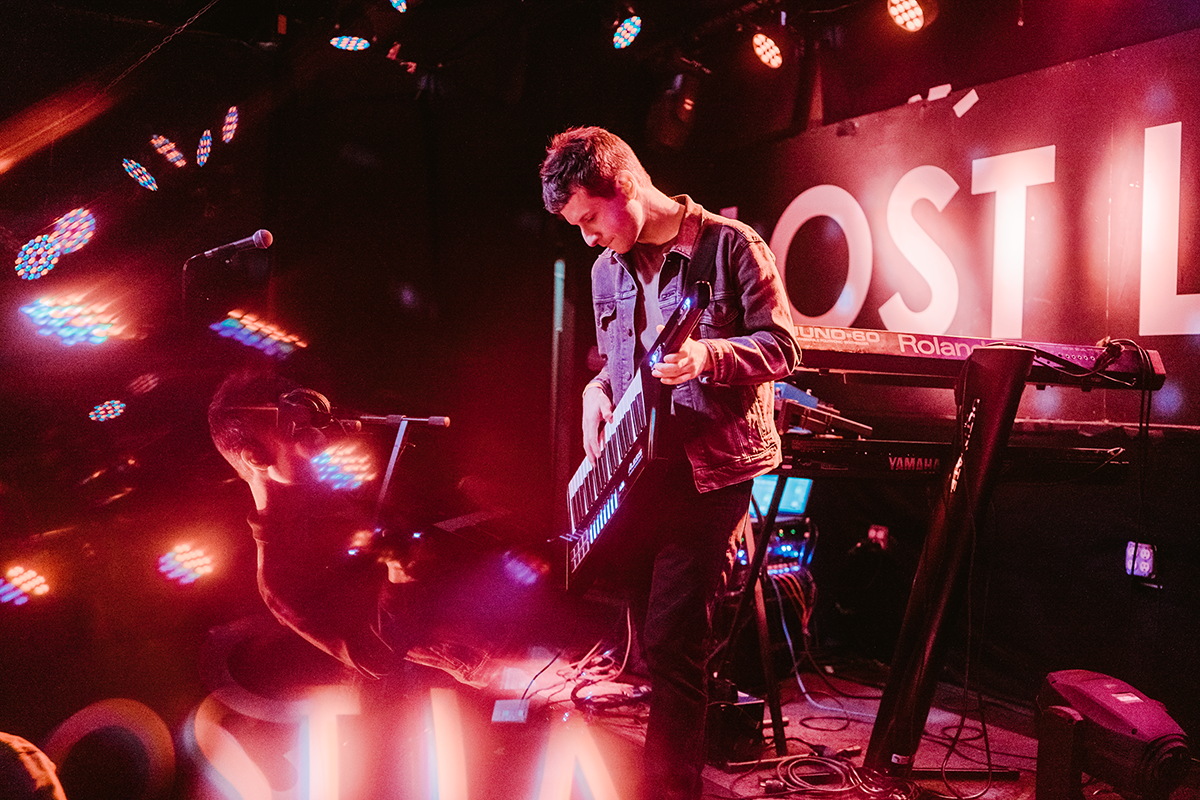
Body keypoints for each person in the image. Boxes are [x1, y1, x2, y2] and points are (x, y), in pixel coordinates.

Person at [540, 126, 801, 800]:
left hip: (710, 470)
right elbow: (615, 366)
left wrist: (707, 358)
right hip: (638, 474)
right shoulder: (604, 270)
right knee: (652, 645)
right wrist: (595, 392)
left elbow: (782, 348)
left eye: (591, 219)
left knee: (673, 639)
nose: (589, 238)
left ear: (622, 188)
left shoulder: (731, 245)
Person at [206, 370, 571, 692]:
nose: (316, 437)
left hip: (540, 606)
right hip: (516, 658)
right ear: (254, 456)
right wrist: (398, 573)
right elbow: (373, 657)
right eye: (297, 429)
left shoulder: (339, 493)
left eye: (313, 423)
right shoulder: (279, 574)